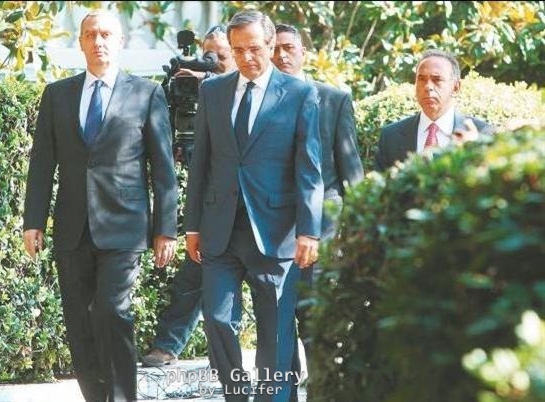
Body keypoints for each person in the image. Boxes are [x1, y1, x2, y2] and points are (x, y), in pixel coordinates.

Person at [22, 10, 178, 402]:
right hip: (72, 227)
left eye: (106, 34)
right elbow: (42, 163)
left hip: (125, 228)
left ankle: (123, 397)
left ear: (120, 41)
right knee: (79, 322)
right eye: (91, 34)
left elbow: (163, 168)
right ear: (80, 42)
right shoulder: (57, 95)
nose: (99, 42)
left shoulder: (146, 94)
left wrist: (166, 228)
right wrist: (33, 221)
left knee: (112, 310)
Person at [185, 10, 324, 402]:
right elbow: (201, 163)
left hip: (276, 233)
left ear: (271, 44)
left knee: (275, 333)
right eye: (238, 50)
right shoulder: (213, 92)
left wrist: (309, 231)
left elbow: (309, 169)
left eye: (255, 48)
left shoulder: (299, 94)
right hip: (221, 230)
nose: (247, 57)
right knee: (216, 319)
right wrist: (192, 225)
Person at [270, 23, 365, 398]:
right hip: (273, 226)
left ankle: (325, 392)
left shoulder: (333, 99)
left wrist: (358, 227)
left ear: (303, 52)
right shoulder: (259, 101)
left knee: (315, 318)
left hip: (323, 226)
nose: (281, 55)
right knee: (277, 321)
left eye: (289, 47)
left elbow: (351, 169)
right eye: (275, 48)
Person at [141, 24, 238, 368]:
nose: (212, 63)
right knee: (193, 274)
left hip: (250, 207)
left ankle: (232, 357)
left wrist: (210, 84)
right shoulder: (192, 90)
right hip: (212, 205)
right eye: (207, 56)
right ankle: (168, 344)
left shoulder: (245, 92)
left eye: (221, 57)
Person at [375, 49, 496, 171]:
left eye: (437, 79)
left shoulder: (482, 134)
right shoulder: (390, 136)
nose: (428, 86)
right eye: (421, 79)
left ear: (456, 87)